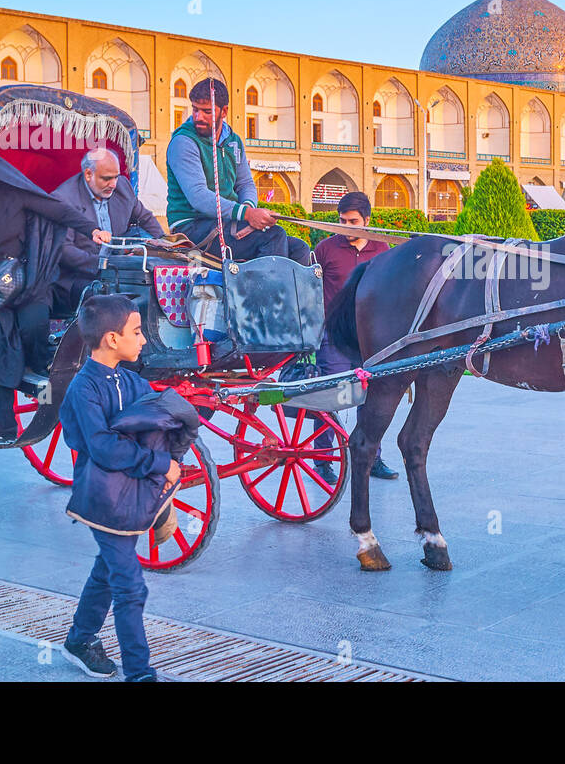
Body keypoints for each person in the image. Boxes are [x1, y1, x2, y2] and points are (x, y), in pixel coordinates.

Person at [0, 144, 109, 442]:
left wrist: (91, 229)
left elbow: (58, 211)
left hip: (27, 279)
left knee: (34, 322)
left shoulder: (13, 193)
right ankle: (3, 424)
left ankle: (37, 370)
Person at [60, 295, 177, 682]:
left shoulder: (132, 381)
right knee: (130, 587)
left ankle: (79, 639)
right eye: (137, 331)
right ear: (112, 339)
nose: (143, 340)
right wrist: (161, 464)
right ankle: (139, 673)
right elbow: (102, 448)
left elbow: (162, 415)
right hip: (102, 498)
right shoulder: (82, 390)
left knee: (108, 571)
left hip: (132, 493)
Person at [166, 78, 309, 264]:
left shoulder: (234, 141)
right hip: (193, 227)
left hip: (225, 224)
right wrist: (247, 215)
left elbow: (245, 183)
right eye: (195, 109)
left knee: (299, 249)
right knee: (272, 236)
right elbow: (198, 196)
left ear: (224, 111)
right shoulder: (183, 142)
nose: (198, 117)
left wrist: (249, 208)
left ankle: (288, 293)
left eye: (207, 111)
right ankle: (262, 293)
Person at [309, 191, 397, 481]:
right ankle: (322, 461)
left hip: (368, 338)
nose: (346, 228)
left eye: (353, 222)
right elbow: (311, 288)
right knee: (330, 398)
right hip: (333, 337)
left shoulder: (382, 249)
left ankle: (372, 458)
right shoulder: (324, 249)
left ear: (367, 221)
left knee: (370, 399)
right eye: (342, 221)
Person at [51, 147, 165, 314]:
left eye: (116, 177)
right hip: (79, 277)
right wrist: (104, 265)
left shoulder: (122, 187)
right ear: (88, 174)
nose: (113, 184)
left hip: (117, 271)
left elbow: (145, 218)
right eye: (106, 179)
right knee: (113, 302)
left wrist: (166, 244)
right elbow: (64, 251)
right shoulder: (64, 199)